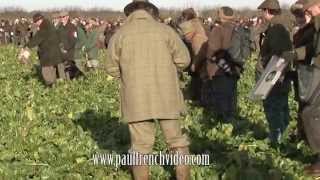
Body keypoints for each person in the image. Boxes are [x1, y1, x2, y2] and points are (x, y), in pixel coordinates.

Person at [105, 0, 191, 179]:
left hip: (136, 98)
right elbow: (184, 60)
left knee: (140, 147)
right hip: (167, 95)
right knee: (177, 141)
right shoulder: (166, 31)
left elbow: (111, 67)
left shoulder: (120, 35)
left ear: (130, 14)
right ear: (151, 12)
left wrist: (129, 78)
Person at [284, 0, 320, 176]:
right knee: (307, 111)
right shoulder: (316, 24)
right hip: (311, 74)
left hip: (315, 74)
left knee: (310, 113)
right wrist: (294, 54)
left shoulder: (315, 24)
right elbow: (312, 47)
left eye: (306, 9)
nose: (305, 13)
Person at [256, 0, 293, 145]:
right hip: (279, 74)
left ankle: (276, 139)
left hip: (274, 74)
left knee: (273, 107)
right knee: (281, 106)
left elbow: (279, 55)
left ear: (267, 11)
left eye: (263, 11)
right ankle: (283, 137)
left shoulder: (276, 28)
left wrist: (271, 76)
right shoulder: (281, 25)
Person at [204, 6, 239, 122]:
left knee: (221, 103)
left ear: (220, 15)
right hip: (235, 69)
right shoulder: (238, 29)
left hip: (219, 71)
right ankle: (233, 126)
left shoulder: (218, 30)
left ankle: (222, 128)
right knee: (232, 100)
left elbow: (212, 53)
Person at [23, 13, 65, 86]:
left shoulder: (44, 27)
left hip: (48, 56)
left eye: (36, 22)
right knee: (52, 72)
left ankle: (51, 88)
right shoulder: (50, 26)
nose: (36, 24)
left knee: (46, 73)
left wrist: (27, 46)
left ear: (40, 20)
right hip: (54, 55)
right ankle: (56, 89)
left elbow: (36, 39)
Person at [179, 8, 208, 103]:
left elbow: (200, 53)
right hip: (202, 67)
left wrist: (194, 66)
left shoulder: (196, 37)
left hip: (201, 68)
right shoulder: (200, 27)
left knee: (200, 89)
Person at [56, 11, 78, 79]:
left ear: (67, 17)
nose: (61, 18)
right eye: (60, 17)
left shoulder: (72, 27)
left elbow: (74, 40)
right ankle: (63, 84)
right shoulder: (59, 27)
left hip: (69, 53)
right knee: (61, 71)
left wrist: (66, 48)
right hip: (60, 53)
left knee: (69, 72)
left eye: (63, 17)